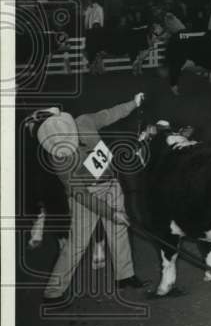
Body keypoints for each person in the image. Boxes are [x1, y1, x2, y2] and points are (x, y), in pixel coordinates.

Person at [34, 94, 148, 304]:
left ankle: (125, 276)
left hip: (111, 184)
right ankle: (53, 293)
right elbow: (81, 194)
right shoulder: (59, 159)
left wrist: (133, 103)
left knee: (119, 232)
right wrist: (111, 213)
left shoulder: (85, 121)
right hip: (85, 198)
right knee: (77, 244)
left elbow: (110, 114)